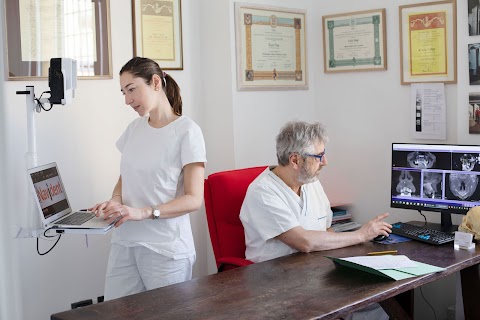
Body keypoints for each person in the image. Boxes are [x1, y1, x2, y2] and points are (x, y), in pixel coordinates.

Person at [239, 121, 391, 320]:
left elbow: (326, 230)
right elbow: (304, 241)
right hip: (277, 282)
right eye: (319, 156)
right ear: (295, 160)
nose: (325, 161)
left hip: (315, 271)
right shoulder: (263, 192)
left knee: (373, 294)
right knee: (359, 302)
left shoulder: (310, 182)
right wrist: (361, 234)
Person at [91, 57, 206, 300]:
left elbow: (194, 199)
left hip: (165, 249)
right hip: (125, 242)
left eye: (132, 89)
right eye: (123, 92)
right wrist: (115, 200)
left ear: (155, 82)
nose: (127, 100)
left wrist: (143, 212)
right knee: (114, 314)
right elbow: (127, 176)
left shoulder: (187, 132)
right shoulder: (134, 130)